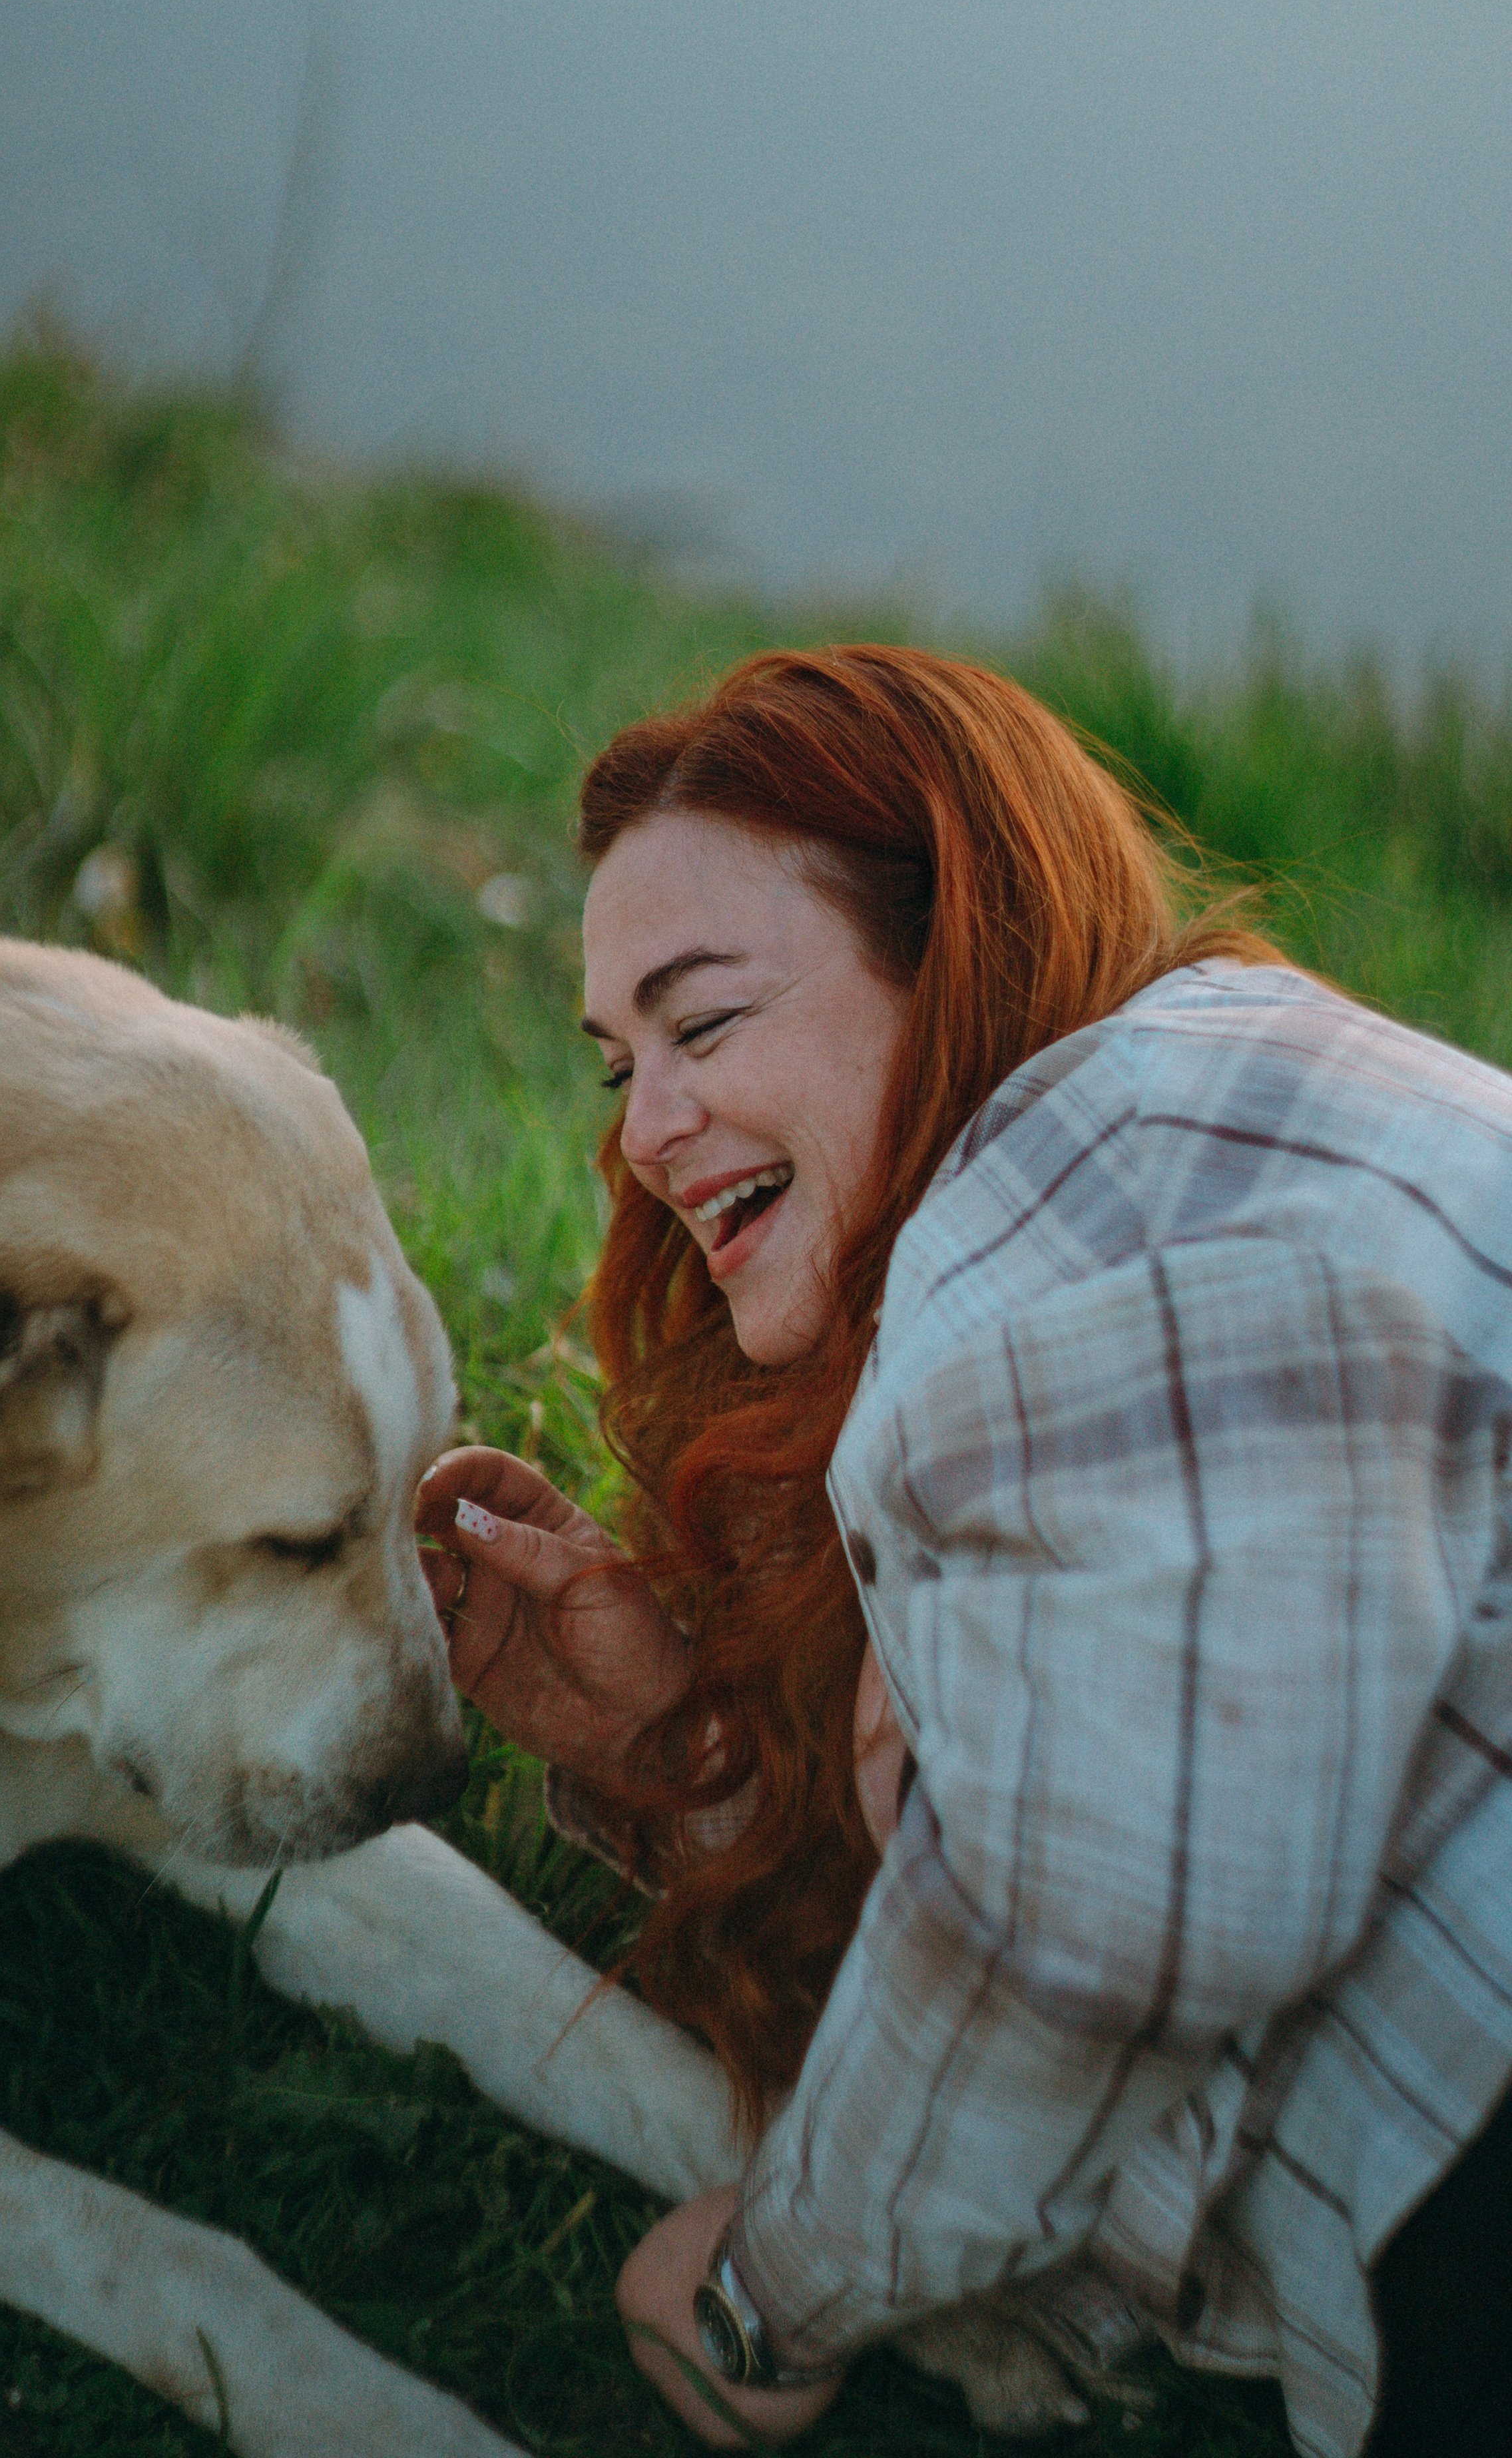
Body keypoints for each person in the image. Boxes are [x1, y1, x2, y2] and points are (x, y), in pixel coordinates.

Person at [415, 646, 1512, 2458]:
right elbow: (1071, 1853)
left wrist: (776, 2294)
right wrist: (680, 1739)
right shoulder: (1207, 1134)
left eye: (704, 1026)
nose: (645, 1130)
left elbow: (1105, 1939)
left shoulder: (1070, 1169)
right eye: (618, 1064)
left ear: (955, 940)